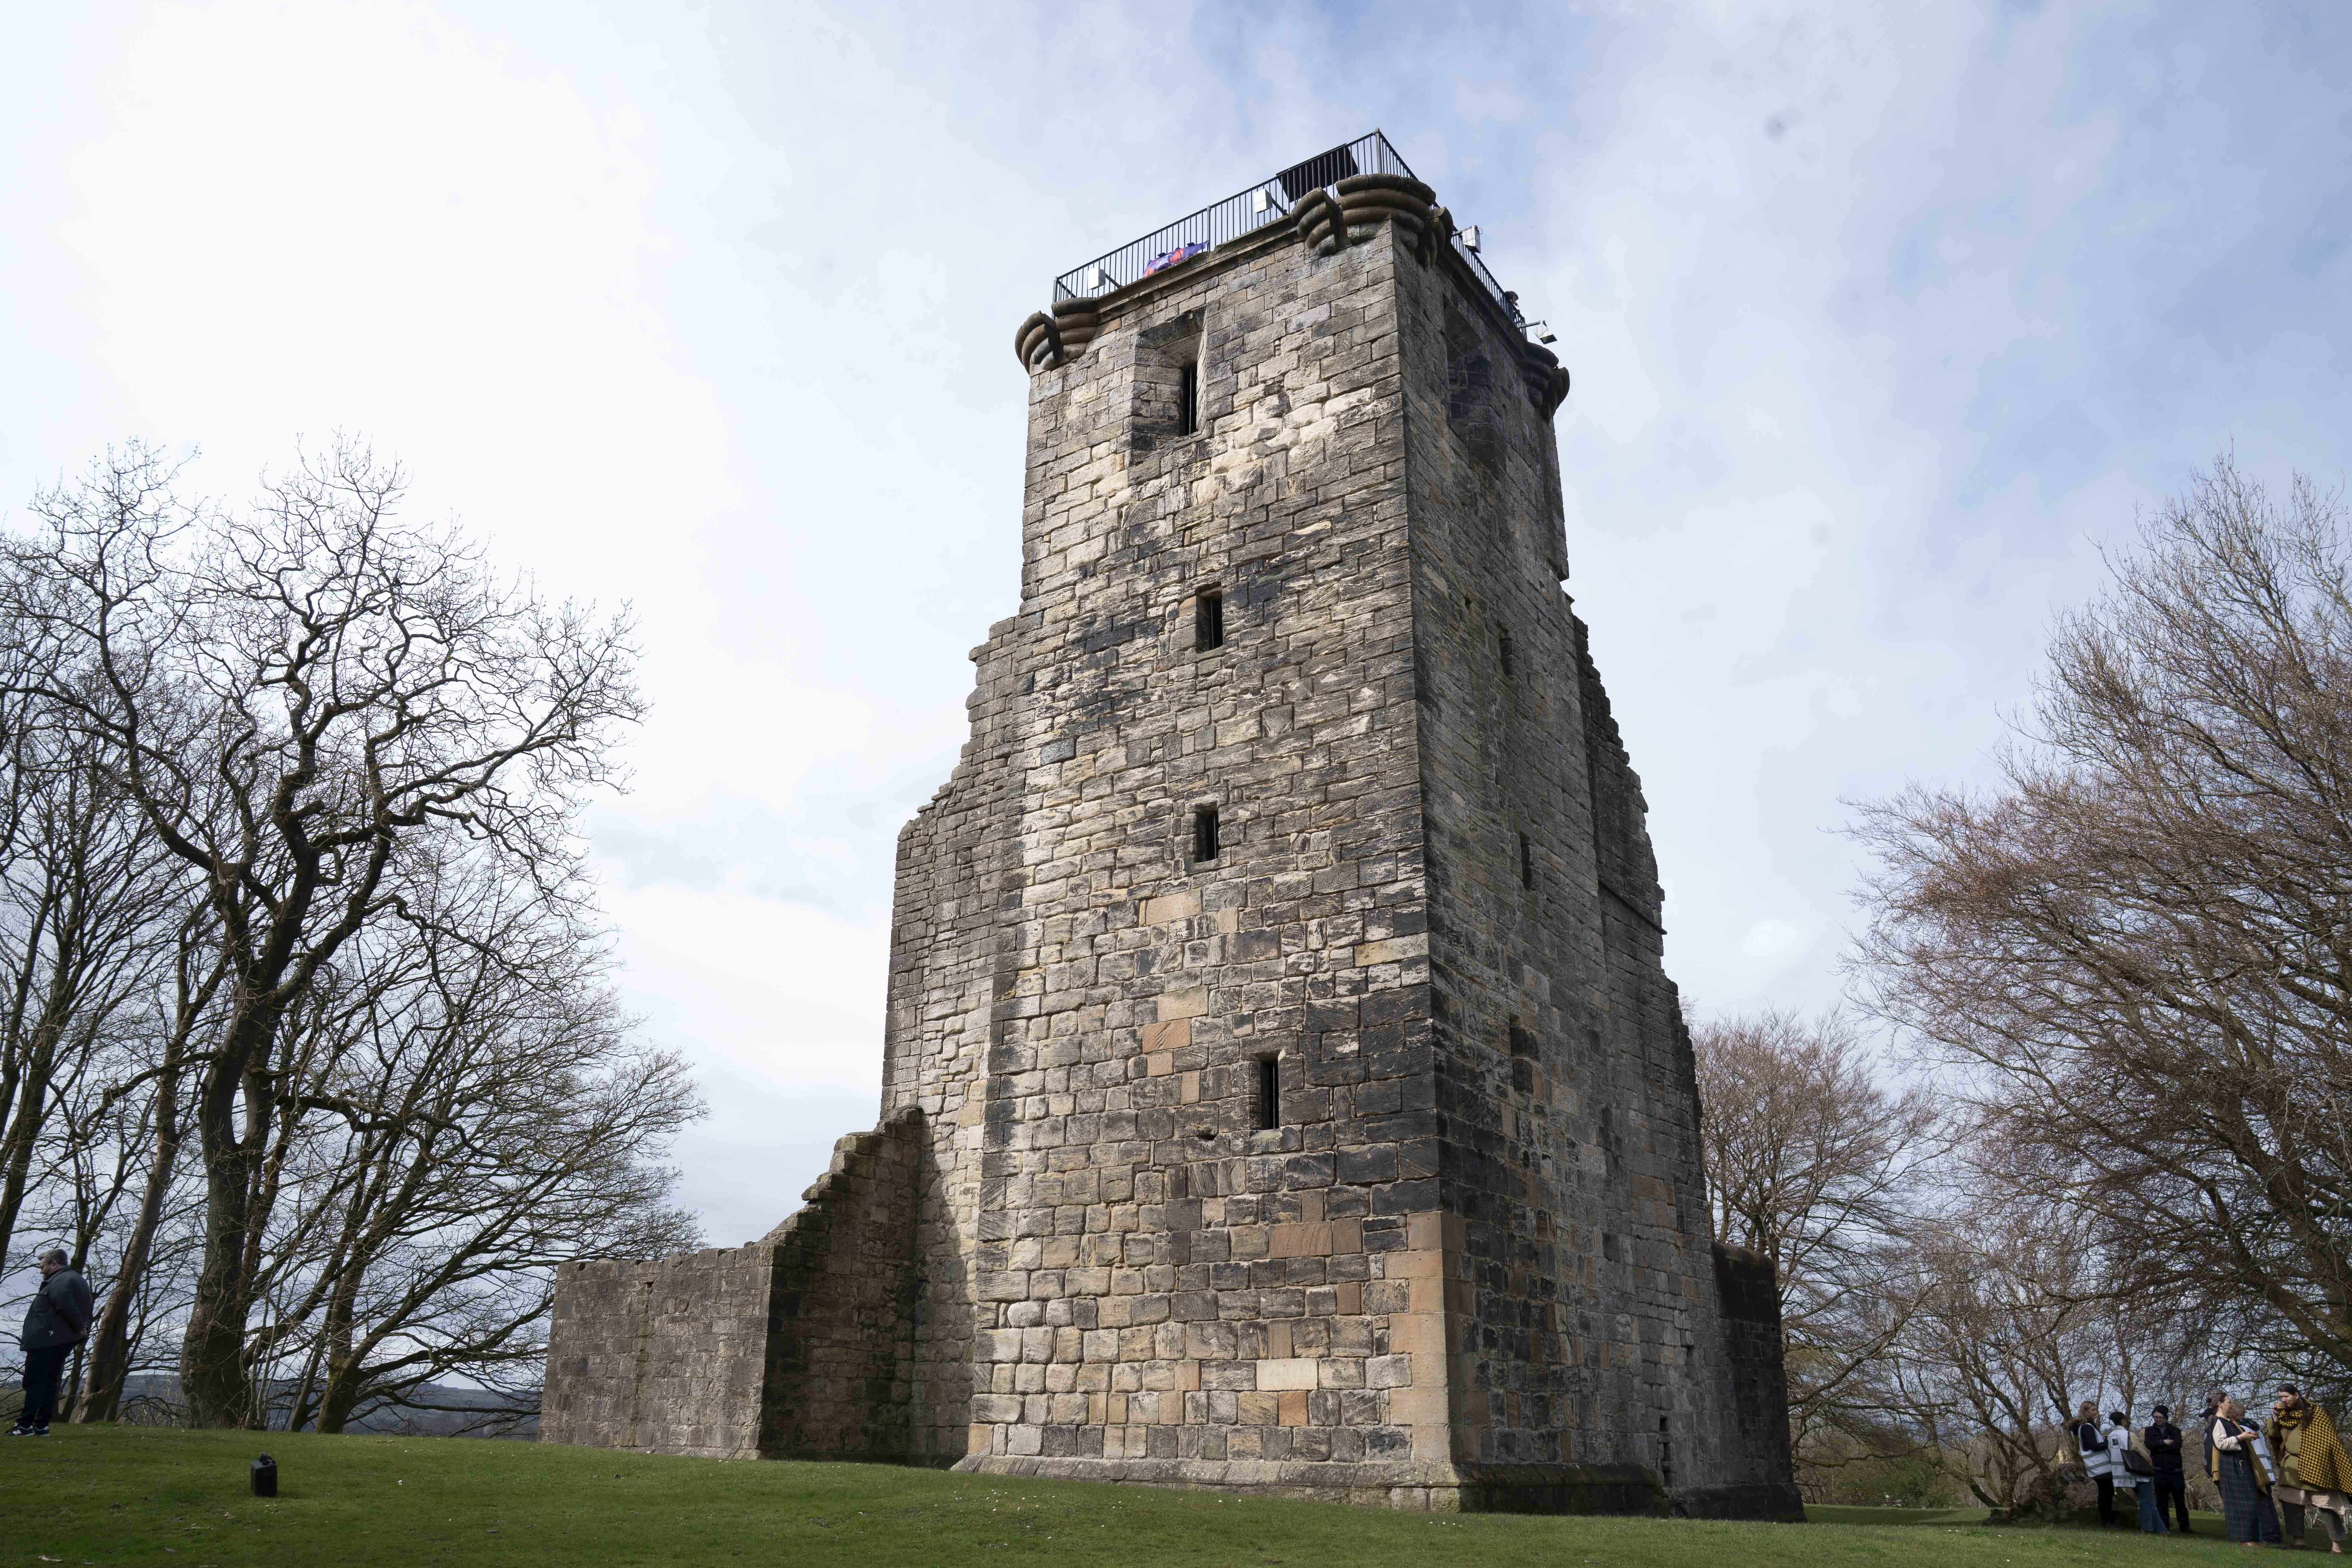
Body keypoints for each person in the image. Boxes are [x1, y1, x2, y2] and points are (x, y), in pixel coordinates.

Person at [11, 1249, 93, 1437]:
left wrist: (79, 1327)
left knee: (35, 1382)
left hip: (48, 1340)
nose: (41, 1271)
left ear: (54, 1264)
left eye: (43, 1267)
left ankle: (25, 1425)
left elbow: (65, 1305)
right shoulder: (74, 1279)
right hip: (58, 1339)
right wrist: (80, 1329)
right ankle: (41, 1426)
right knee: (49, 1383)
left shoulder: (62, 1281)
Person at [2267, 1384, 2352, 1553]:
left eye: (2286, 1397)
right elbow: (2275, 1437)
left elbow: (2328, 1441)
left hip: (2317, 1466)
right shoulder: (2284, 1415)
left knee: (2327, 1507)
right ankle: (2299, 1542)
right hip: (2292, 1466)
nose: (2283, 1400)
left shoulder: (2316, 1413)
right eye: (2281, 1397)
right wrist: (2275, 1420)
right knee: (2292, 1504)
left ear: (2297, 1395)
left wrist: (2317, 1461)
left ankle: (2336, 1547)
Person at [2214, 1394, 2288, 1546]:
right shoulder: (2255, 1428)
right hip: (2264, 1470)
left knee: (2257, 1506)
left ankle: (2268, 1537)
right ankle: (2272, 1536)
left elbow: (2227, 1445)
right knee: (2266, 1506)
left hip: (2255, 1471)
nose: (2230, 1409)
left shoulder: (2242, 1429)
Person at [2114, 1409, 2169, 1534]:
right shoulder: (2129, 1435)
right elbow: (2142, 1453)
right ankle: (2148, 1528)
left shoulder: (2111, 1436)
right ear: (2123, 1421)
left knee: (2148, 1500)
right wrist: (2150, 1464)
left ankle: (2162, 1530)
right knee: (2146, 1501)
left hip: (2121, 1473)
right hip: (2137, 1472)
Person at [2147, 1403, 2196, 1534]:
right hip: (2159, 1470)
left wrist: (2159, 1447)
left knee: (2179, 1500)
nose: (2158, 1420)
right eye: (2156, 1417)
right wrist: (2164, 1442)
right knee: (2162, 1500)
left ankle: (2185, 1526)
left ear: (2166, 1418)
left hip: (2175, 1471)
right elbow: (2149, 1445)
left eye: (2161, 1417)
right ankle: (2164, 1525)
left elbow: (2177, 1446)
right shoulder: (2150, 1431)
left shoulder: (2175, 1431)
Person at [2075, 1399, 2122, 1527]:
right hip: (2100, 1468)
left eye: (2096, 1410)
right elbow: (2094, 1446)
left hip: (2099, 1468)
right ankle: (2106, 1520)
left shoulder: (2086, 1427)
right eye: (2093, 1410)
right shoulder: (2087, 1428)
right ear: (2086, 1412)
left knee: (2107, 1492)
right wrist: (2108, 1442)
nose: (2096, 1413)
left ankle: (2107, 1520)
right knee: (2106, 1493)